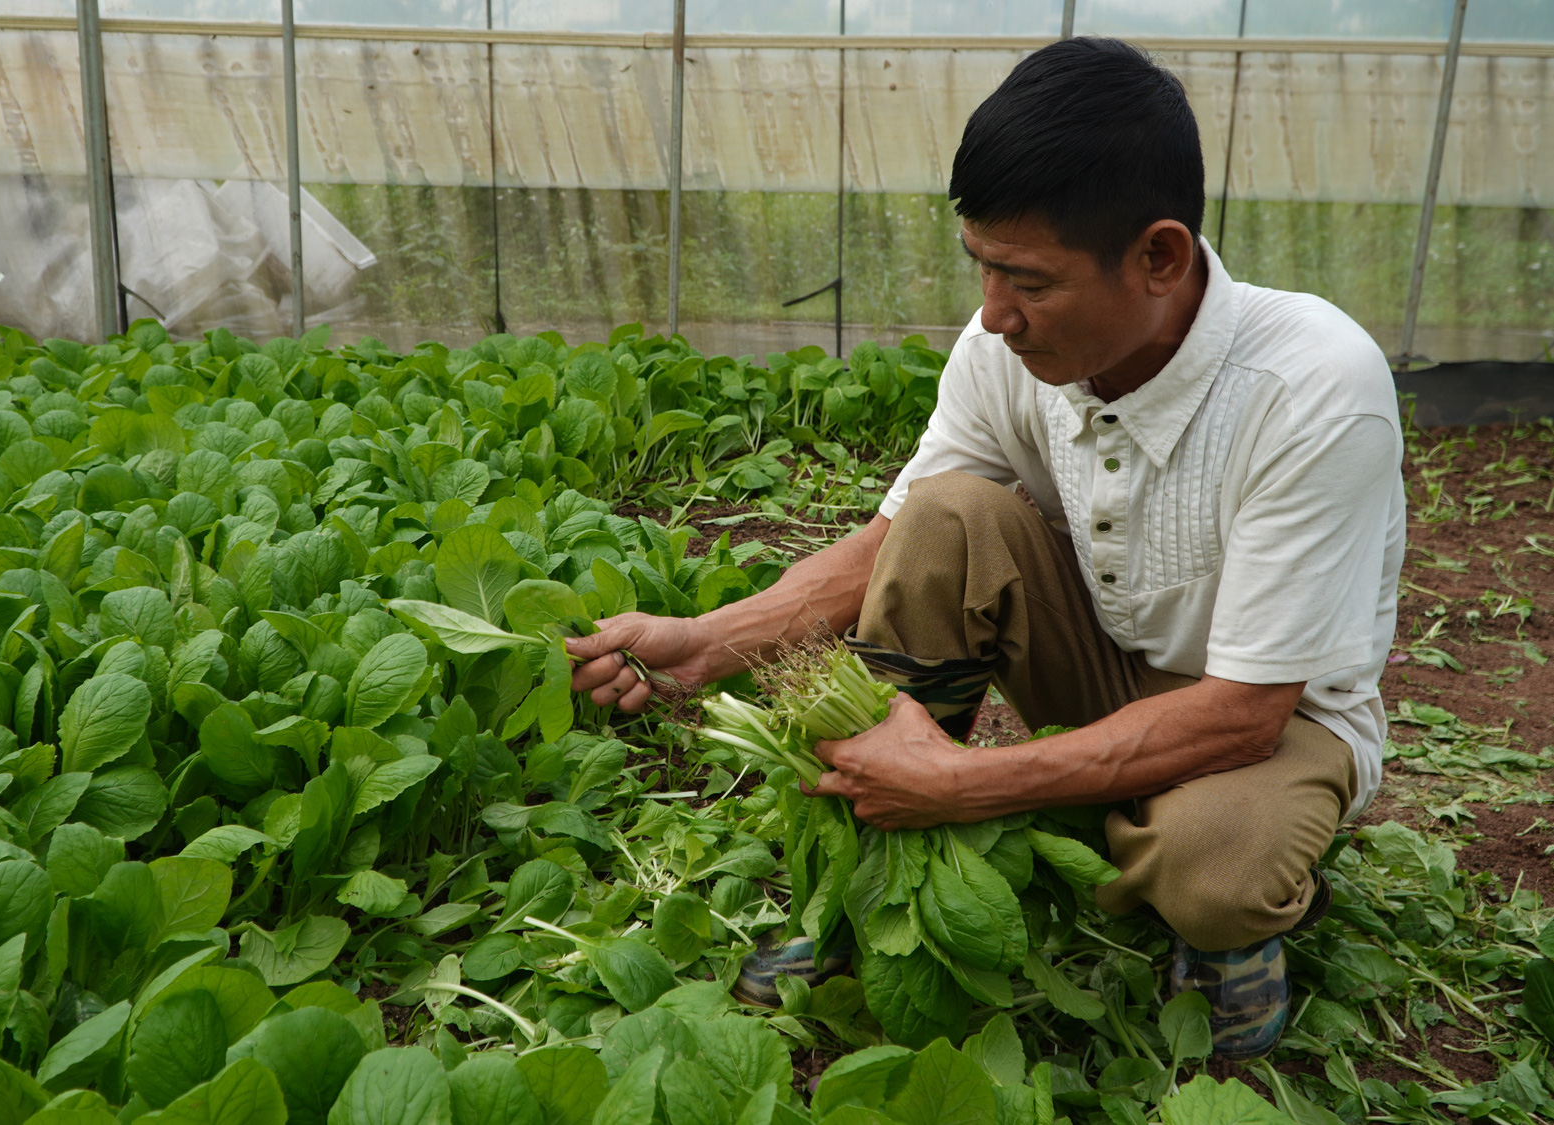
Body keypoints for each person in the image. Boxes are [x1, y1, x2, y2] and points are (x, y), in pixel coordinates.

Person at [568, 36, 1404, 1061]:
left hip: (1272, 723)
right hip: (1101, 666)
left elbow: (1244, 711)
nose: (994, 314)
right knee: (944, 515)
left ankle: (1232, 933)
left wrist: (963, 784)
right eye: (981, 267)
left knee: (1211, 870)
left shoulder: (1313, 387)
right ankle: (883, 885)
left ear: (1159, 257)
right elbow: (892, 546)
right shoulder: (1007, 347)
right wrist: (702, 643)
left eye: (1030, 282)